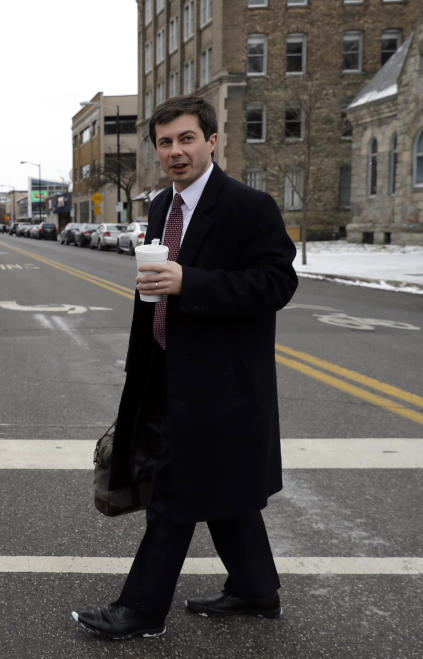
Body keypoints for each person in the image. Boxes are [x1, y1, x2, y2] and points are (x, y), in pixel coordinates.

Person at [72, 95, 298, 640]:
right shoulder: (159, 208)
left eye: (187, 139)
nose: (176, 151)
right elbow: (153, 295)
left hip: (222, 385)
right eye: (166, 142)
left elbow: (277, 283)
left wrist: (188, 281)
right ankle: (255, 589)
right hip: (166, 376)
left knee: (173, 494)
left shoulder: (248, 206)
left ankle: (142, 609)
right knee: (225, 492)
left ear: (212, 141)